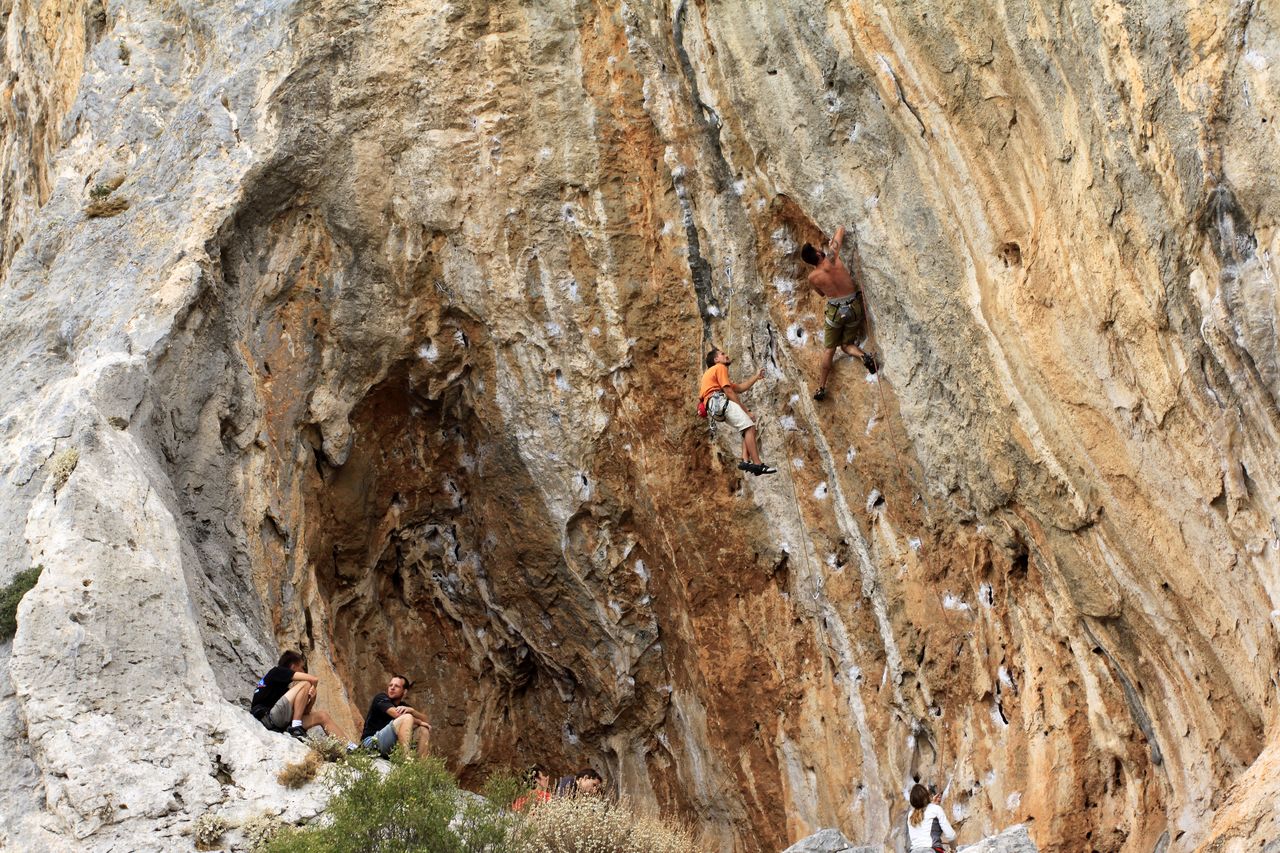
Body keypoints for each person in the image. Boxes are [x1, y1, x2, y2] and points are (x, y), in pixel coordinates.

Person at [801, 225, 879, 401]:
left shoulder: (812, 278)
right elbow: (841, 230)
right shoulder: (832, 258)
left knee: (830, 349)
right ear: (819, 253)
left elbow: (822, 294)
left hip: (836, 311)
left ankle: (821, 387)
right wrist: (834, 237)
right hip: (853, 306)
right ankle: (864, 356)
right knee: (846, 344)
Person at [698, 348, 777, 476]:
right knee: (750, 427)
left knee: (746, 427)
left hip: (714, 408)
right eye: (722, 354)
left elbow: (739, 388)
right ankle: (758, 464)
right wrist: (746, 411)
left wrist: (756, 377)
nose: (726, 355)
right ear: (716, 360)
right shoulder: (720, 368)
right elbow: (729, 392)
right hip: (718, 402)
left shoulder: (713, 374)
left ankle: (745, 460)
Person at [250, 650, 348, 741]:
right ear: (293, 666)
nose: (304, 671)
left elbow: (305, 712)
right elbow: (314, 679)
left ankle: (349, 746)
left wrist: (312, 698)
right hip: (266, 718)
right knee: (306, 683)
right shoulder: (276, 671)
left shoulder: (284, 690)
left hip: (279, 721)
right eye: (302, 667)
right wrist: (313, 686)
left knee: (322, 716)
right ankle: (295, 728)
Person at [360, 674, 433, 758]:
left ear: (404, 692)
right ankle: (406, 759)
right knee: (407, 717)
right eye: (390, 685)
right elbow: (397, 714)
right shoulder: (381, 698)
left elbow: (427, 722)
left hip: (390, 746)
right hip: (371, 742)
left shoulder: (404, 706)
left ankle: (421, 767)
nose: (392, 688)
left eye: (397, 686)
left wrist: (413, 711)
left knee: (423, 730)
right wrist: (419, 721)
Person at [907, 782, 956, 852]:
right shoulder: (936, 809)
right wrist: (954, 849)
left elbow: (923, 812)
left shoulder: (910, 815)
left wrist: (931, 804)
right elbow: (951, 836)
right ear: (927, 796)